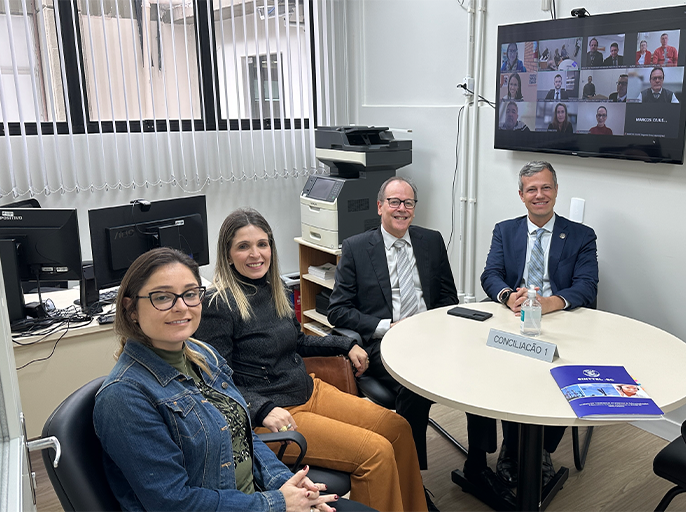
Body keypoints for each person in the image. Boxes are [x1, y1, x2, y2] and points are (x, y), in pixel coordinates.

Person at [195, 208, 431, 512]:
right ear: (227, 255)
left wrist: (346, 344)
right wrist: (262, 408)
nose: (256, 254)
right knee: (376, 453)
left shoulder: (274, 287)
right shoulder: (218, 305)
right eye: (243, 246)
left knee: (398, 427)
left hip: (308, 390)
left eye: (263, 244)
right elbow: (216, 383)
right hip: (275, 413)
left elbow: (300, 340)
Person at [93, 247, 363, 512]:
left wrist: (290, 486)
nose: (181, 307)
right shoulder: (124, 397)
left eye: (190, 294)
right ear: (131, 309)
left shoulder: (202, 354)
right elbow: (173, 503)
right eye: (162, 297)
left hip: (258, 496)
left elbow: (243, 436)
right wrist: (279, 503)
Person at [327, 176, 515, 506]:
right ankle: (412, 480)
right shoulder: (357, 248)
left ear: (415, 208)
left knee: (478, 373)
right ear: (380, 206)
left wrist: (439, 329)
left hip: (435, 337)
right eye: (395, 202)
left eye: (408, 203)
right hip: (387, 343)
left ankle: (477, 465)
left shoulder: (430, 240)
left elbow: (447, 296)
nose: (402, 209)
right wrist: (388, 326)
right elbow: (338, 311)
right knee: (414, 389)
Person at [479, 161, 598, 489]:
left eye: (546, 187)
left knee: (559, 372)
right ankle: (512, 446)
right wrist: (507, 297)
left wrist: (551, 302)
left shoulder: (581, 236)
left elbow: (587, 286)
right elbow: (490, 274)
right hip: (514, 319)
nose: (539, 194)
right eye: (532, 189)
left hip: (560, 321)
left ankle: (543, 449)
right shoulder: (505, 230)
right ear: (521, 195)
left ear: (556, 191)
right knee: (505, 373)